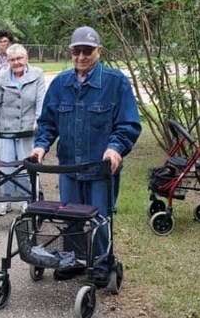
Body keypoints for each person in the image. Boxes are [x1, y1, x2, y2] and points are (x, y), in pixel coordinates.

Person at [32, 27, 141, 284]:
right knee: (70, 216)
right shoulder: (60, 84)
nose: (81, 56)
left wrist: (115, 148)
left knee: (100, 217)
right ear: (71, 52)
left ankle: (101, 262)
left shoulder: (116, 83)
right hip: (69, 167)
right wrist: (41, 145)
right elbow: (48, 122)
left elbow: (128, 124)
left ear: (98, 51)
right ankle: (73, 259)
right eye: (76, 51)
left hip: (100, 170)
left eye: (87, 51)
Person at [0, 44, 46, 216]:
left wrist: (39, 120)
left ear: (26, 57)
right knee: (6, 166)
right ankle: (4, 201)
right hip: (6, 129)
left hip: (27, 129)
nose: (16, 62)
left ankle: (25, 200)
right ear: (7, 61)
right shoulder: (2, 78)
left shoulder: (37, 74)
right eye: (12, 60)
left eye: (19, 58)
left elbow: (40, 101)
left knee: (25, 165)